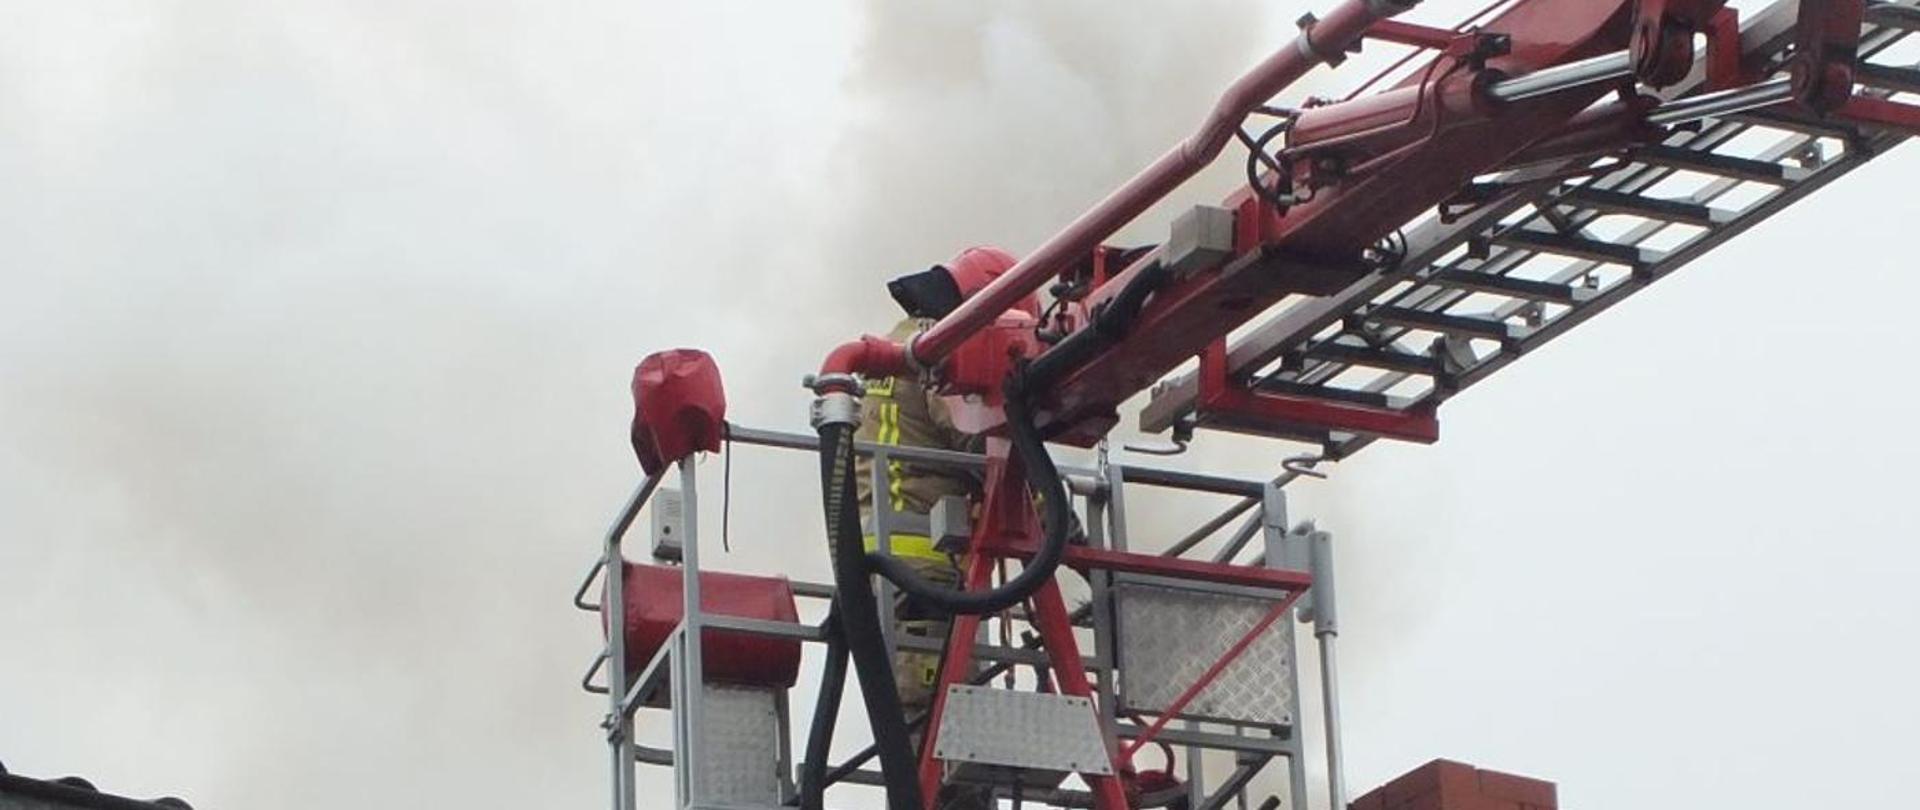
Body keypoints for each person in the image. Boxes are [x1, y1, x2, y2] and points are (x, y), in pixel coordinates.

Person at [855, 246, 1032, 809]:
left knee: (921, 737)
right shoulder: (940, 349)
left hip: (889, 570)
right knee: (948, 744)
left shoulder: (897, 344)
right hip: (927, 571)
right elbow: (979, 436)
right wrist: (1057, 516)